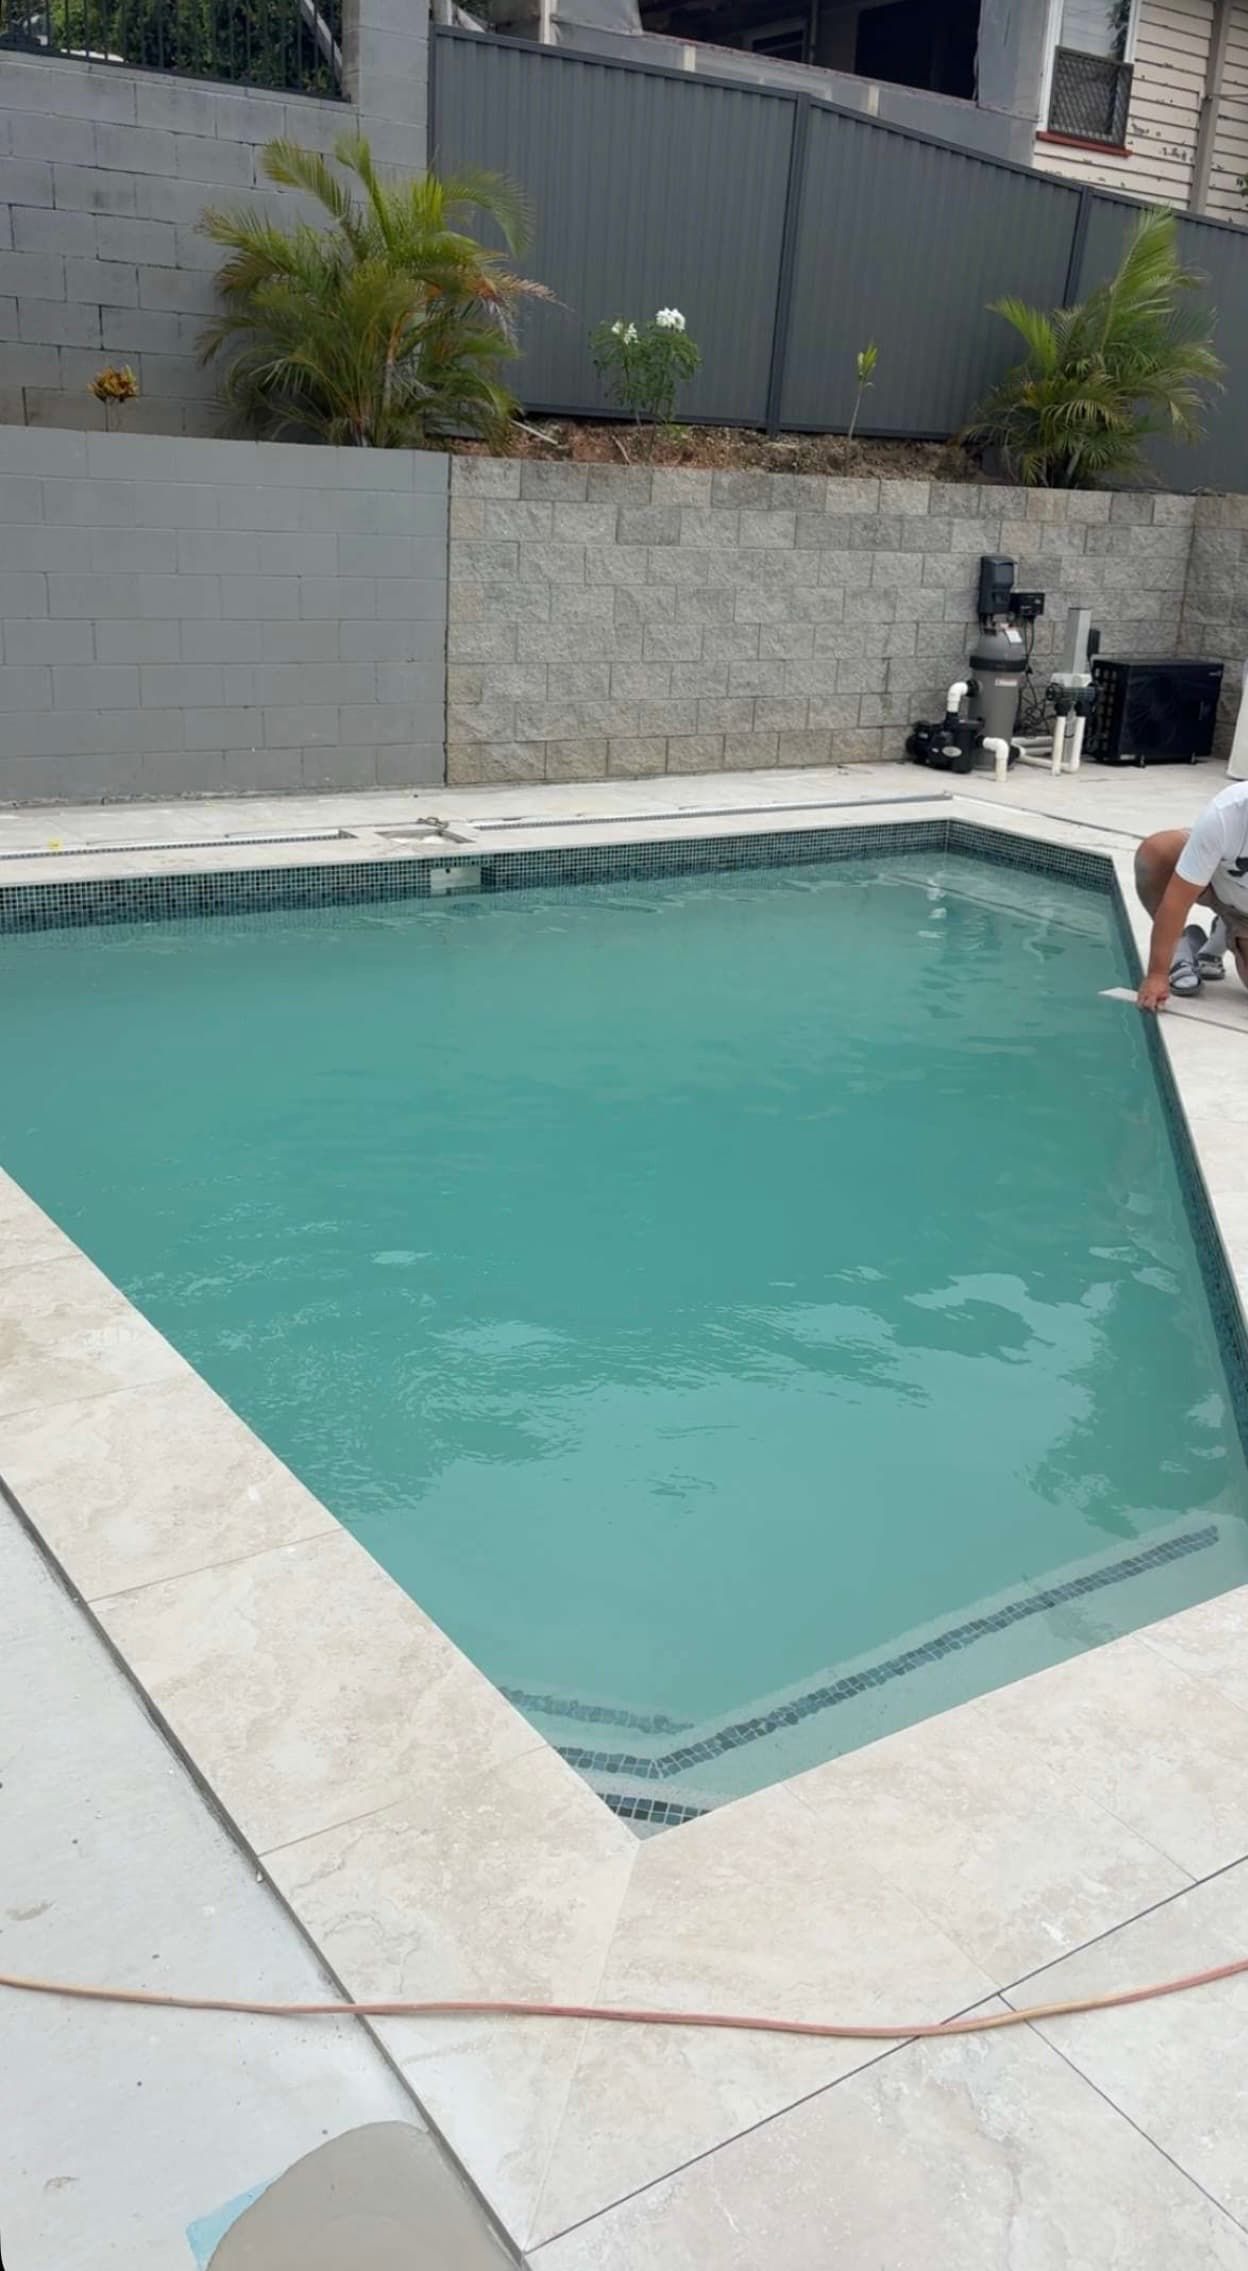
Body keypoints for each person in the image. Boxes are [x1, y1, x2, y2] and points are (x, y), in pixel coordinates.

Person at [1135, 778, 1248, 1012]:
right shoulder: (1226, 812)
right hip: (1217, 885)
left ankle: (1226, 932)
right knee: (1157, 853)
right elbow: (1177, 900)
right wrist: (1157, 974)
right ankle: (1180, 950)